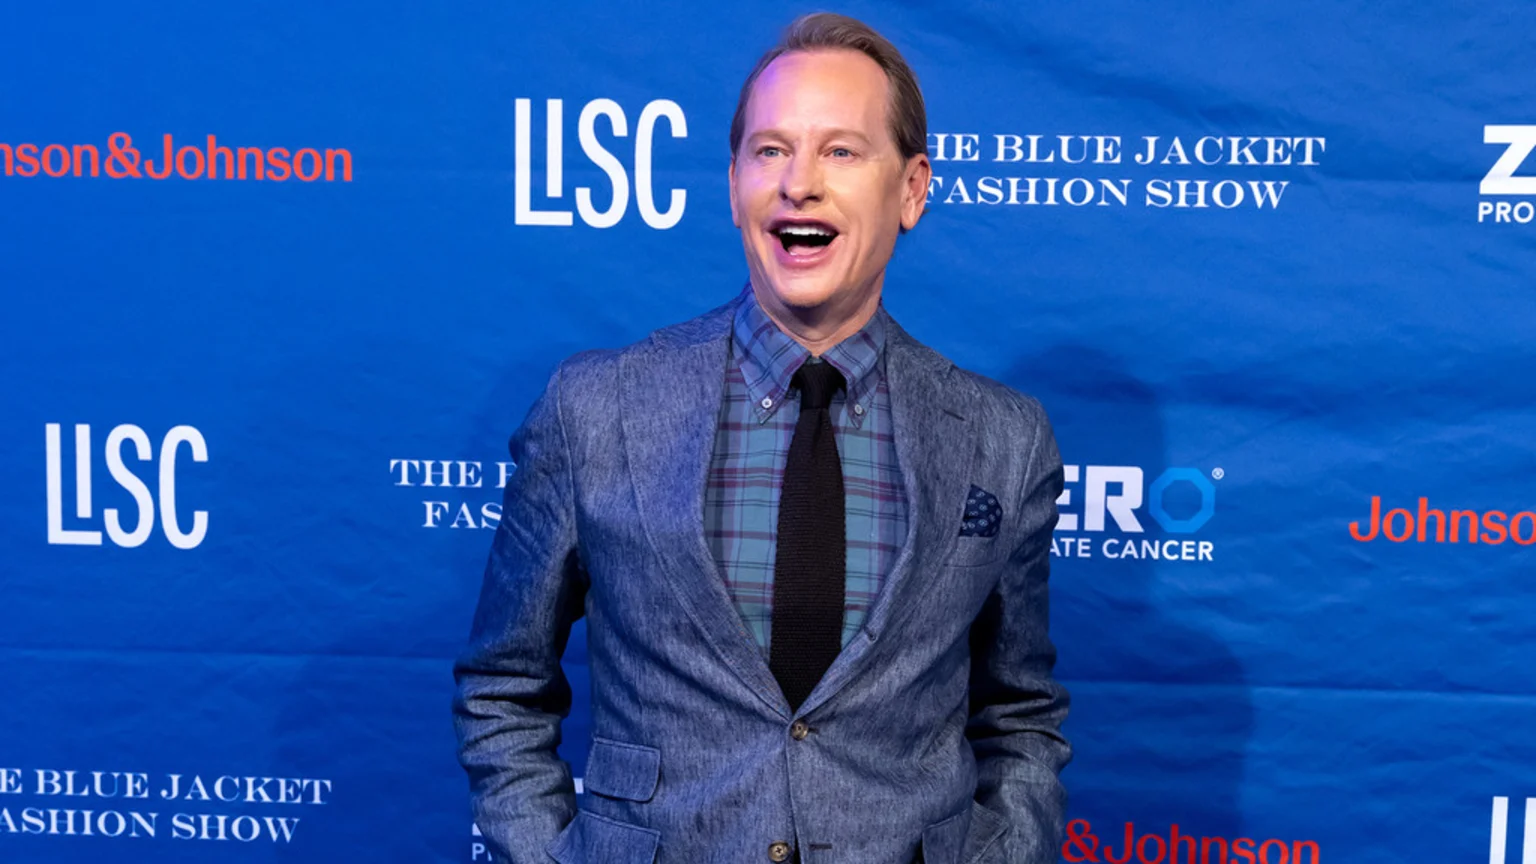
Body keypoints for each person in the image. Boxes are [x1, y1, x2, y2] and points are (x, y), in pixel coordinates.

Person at [453, 12, 1069, 864]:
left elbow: (1019, 714)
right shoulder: (596, 410)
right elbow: (503, 688)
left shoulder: (1006, 440)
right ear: (735, 182)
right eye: (771, 150)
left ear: (913, 190)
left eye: (841, 152)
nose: (799, 184)